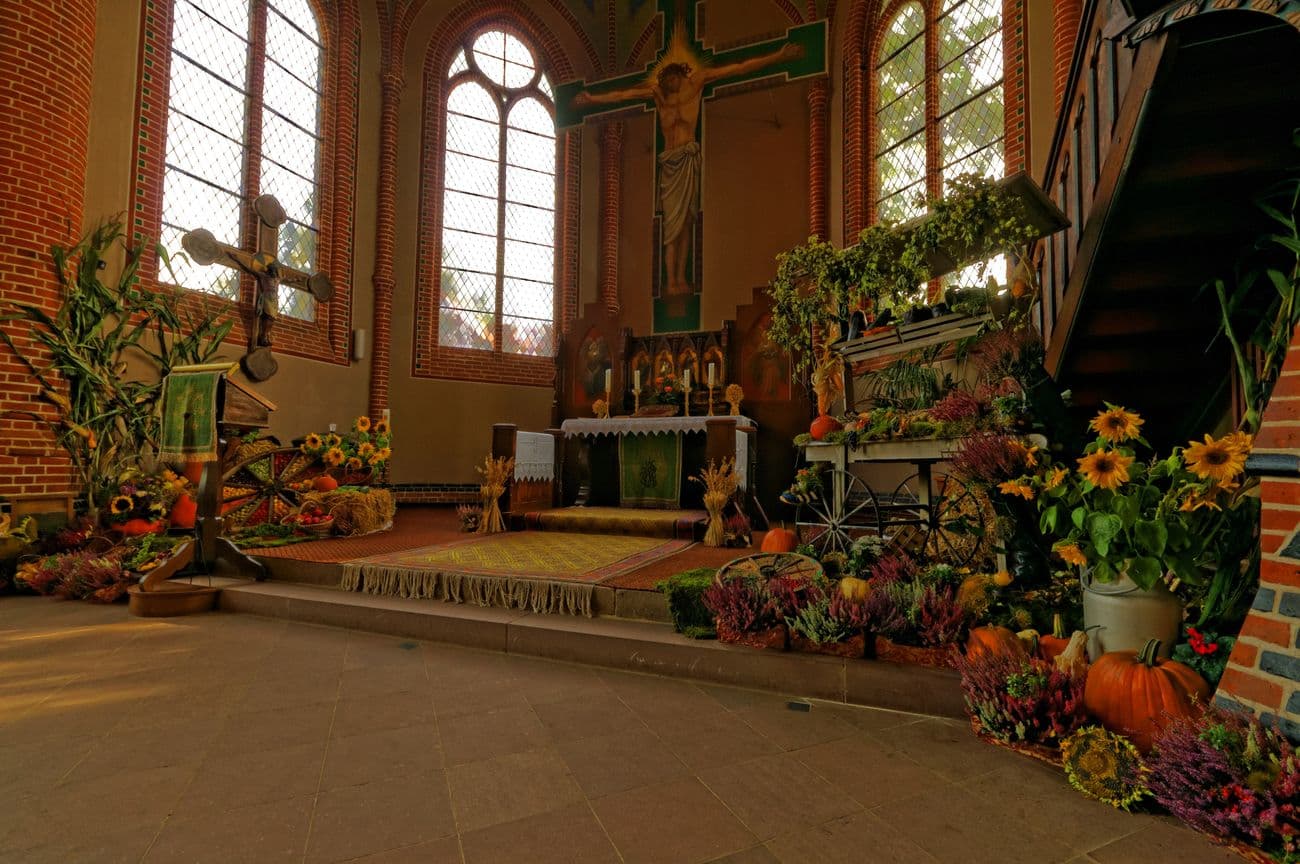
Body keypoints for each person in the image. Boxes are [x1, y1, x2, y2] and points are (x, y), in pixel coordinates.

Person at [573, 41, 804, 310]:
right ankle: (671, 280)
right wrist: (591, 99)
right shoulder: (658, 96)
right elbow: (623, 95)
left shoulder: (698, 83)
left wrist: (779, 55)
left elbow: (738, 68)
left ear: (681, 74)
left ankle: (680, 277)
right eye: (665, 78)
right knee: (671, 228)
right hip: (669, 166)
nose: (669, 82)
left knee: (685, 225)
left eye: (673, 77)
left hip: (688, 162)